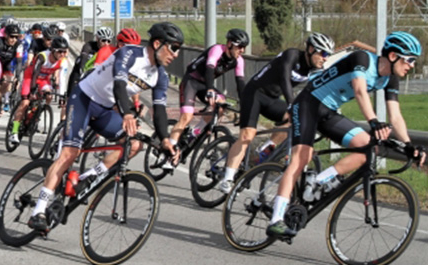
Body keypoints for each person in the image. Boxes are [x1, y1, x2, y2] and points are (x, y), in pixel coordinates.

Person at [266, 31, 426, 238]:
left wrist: (408, 144)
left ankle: (319, 181)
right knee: (300, 159)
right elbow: (359, 90)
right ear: (394, 56)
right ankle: (276, 219)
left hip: (329, 112)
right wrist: (374, 121)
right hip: (308, 104)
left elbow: (395, 116)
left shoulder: (390, 80)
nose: (412, 65)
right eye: (410, 60)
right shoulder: (362, 59)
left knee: (369, 147)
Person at [27, 24, 183, 232]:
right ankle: (38, 210)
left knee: (135, 144)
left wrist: (165, 140)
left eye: (179, 49)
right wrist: (127, 113)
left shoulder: (160, 76)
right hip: (83, 99)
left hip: (104, 109)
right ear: (157, 43)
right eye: (173, 47)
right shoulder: (130, 53)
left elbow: (160, 111)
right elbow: (119, 85)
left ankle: (87, 177)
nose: (176, 54)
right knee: (70, 153)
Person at [216, 33, 335, 194]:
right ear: (311, 49)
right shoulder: (292, 55)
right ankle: (227, 179)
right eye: (323, 53)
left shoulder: (314, 71)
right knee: (247, 136)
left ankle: (268, 146)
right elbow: (284, 78)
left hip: (271, 99)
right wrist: (291, 103)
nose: (325, 58)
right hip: (255, 93)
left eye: (328, 55)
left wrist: (326, 120)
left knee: (295, 119)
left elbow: (318, 96)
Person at [170, 28, 249, 157]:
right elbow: (210, 68)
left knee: (221, 105)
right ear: (229, 44)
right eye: (239, 46)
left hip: (204, 85)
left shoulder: (239, 60)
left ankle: (195, 132)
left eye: (244, 47)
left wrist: (245, 105)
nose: (242, 50)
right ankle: (169, 153)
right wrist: (210, 89)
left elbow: (240, 84)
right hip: (191, 81)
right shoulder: (217, 49)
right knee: (186, 117)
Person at [8, 36, 69, 145]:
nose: (62, 54)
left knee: (49, 96)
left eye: (64, 52)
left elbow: (62, 80)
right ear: (53, 50)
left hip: (44, 80)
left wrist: (62, 96)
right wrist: (32, 91)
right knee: (25, 102)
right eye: (60, 52)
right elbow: (35, 73)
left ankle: (36, 114)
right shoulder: (43, 56)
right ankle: (14, 131)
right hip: (30, 77)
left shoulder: (63, 61)